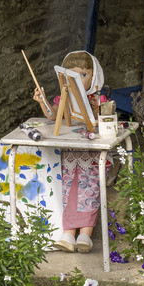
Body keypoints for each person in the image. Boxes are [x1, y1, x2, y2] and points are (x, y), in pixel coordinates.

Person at [32, 50, 111, 254]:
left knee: (90, 190)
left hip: (91, 154)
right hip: (70, 154)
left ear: (94, 76)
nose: (78, 80)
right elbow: (53, 116)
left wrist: (95, 110)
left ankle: (85, 235)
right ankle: (68, 235)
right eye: (71, 75)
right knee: (69, 191)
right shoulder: (64, 96)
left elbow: (105, 121)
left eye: (83, 75)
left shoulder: (98, 98)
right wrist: (43, 101)